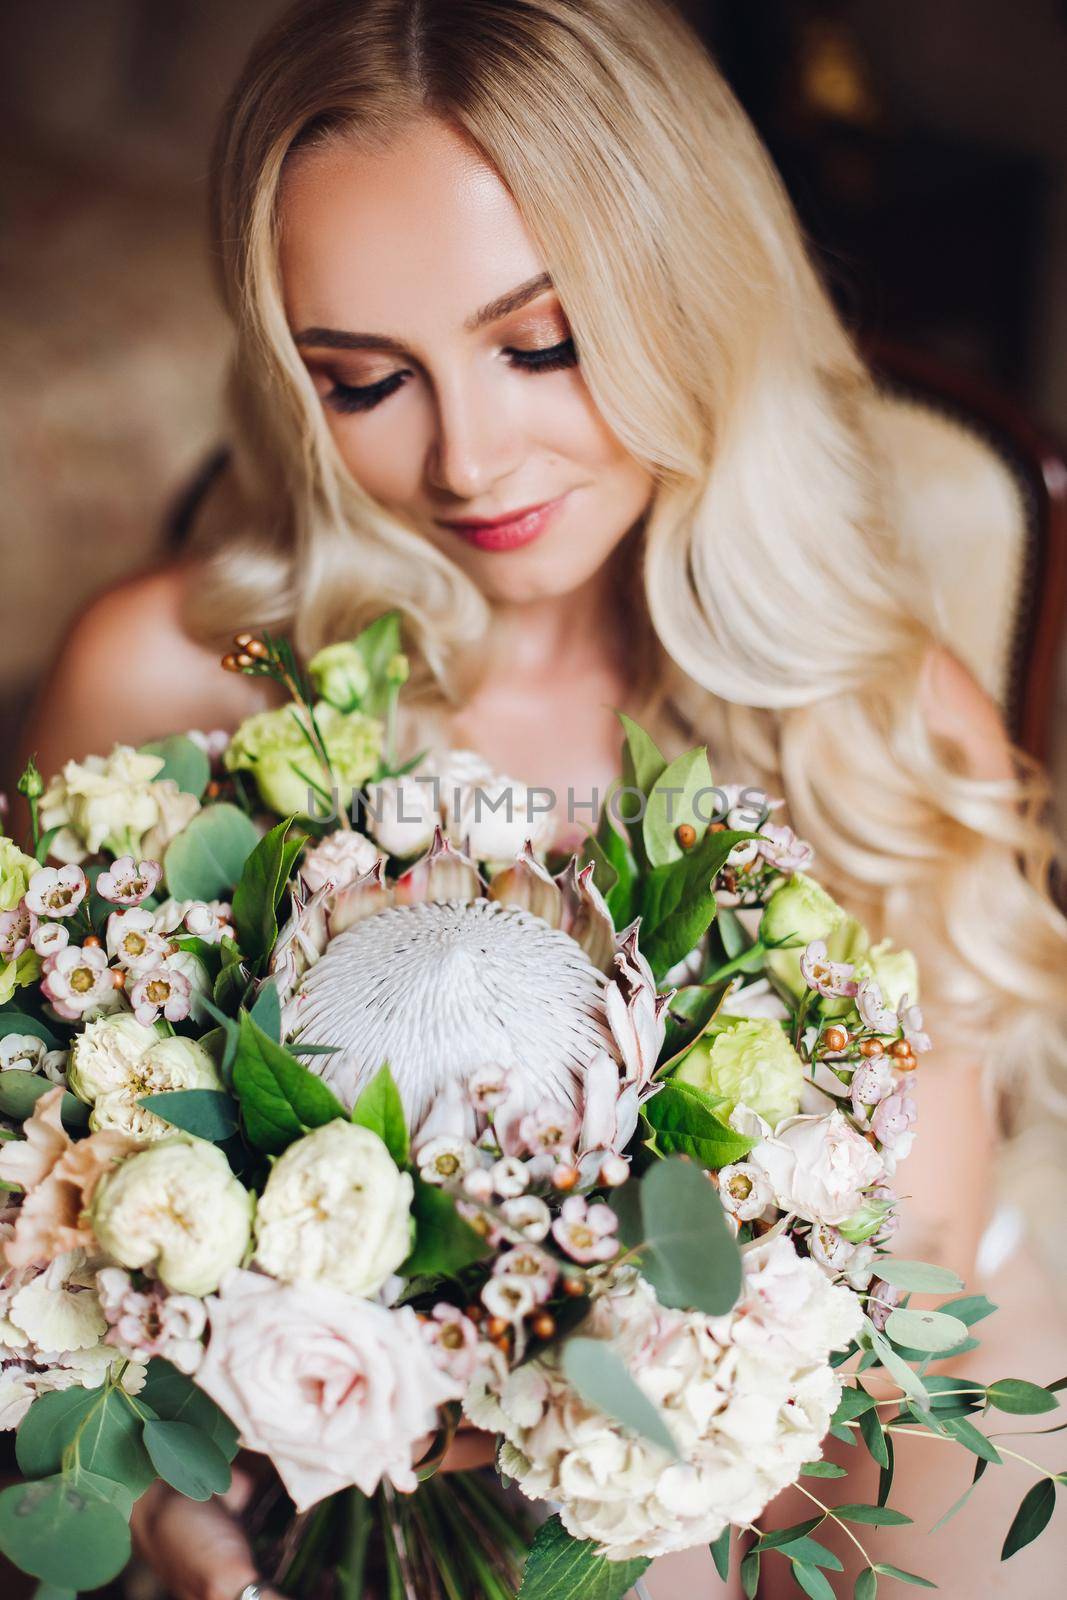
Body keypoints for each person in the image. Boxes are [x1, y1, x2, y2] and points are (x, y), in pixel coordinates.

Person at [15, 1, 1067, 1595]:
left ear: (689, 300)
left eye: (544, 345)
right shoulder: (168, 690)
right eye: (367, 381)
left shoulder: (873, 725)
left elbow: (879, 1307)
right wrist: (176, 1501)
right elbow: (48, 1202)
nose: (472, 462)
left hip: (831, 1447)